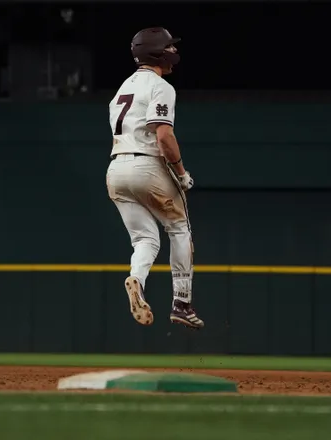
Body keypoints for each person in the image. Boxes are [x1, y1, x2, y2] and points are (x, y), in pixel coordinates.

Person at [106, 27, 204, 330]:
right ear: (158, 53)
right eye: (169, 47)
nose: (174, 51)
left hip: (116, 170)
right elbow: (164, 136)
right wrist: (181, 172)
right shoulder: (160, 86)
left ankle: (136, 278)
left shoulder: (122, 88)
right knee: (179, 228)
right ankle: (182, 303)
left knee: (145, 239)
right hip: (147, 166)